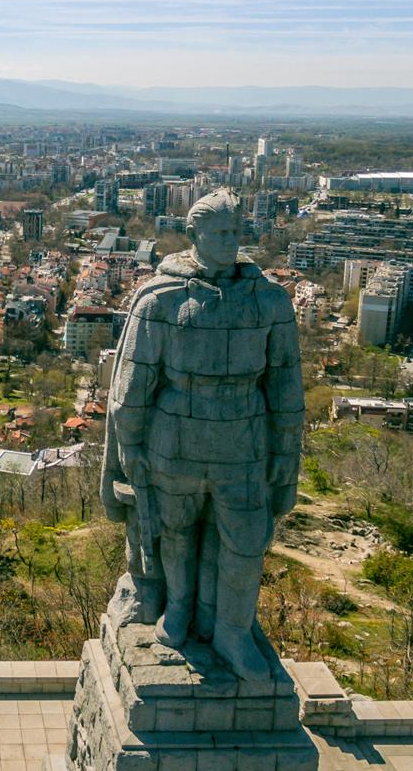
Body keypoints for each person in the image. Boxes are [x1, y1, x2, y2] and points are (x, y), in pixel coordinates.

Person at [101, 188, 304, 680]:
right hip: (175, 439)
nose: (230, 241)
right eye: (219, 233)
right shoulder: (162, 299)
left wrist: (285, 448)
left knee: (244, 540)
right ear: (193, 235)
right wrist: (129, 443)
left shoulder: (269, 301)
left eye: (236, 232)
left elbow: (284, 381)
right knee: (175, 530)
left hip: (244, 437)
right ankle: (180, 610)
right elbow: (134, 380)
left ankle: (231, 630)